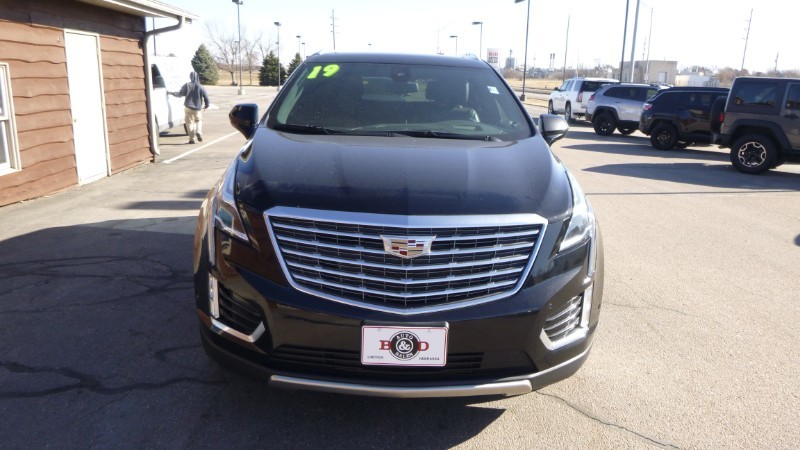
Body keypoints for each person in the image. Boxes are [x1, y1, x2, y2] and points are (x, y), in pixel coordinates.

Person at [170, 71, 210, 144]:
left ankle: (192, 139)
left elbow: (179, 94)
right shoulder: (201, 86)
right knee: (199, 120)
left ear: (190, 77)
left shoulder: (187, 85)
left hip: (188, 107)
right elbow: (206, 98)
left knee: (189, 123)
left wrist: (172, 93)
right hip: (197, 108)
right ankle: (199, 131)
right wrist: (206, 105)